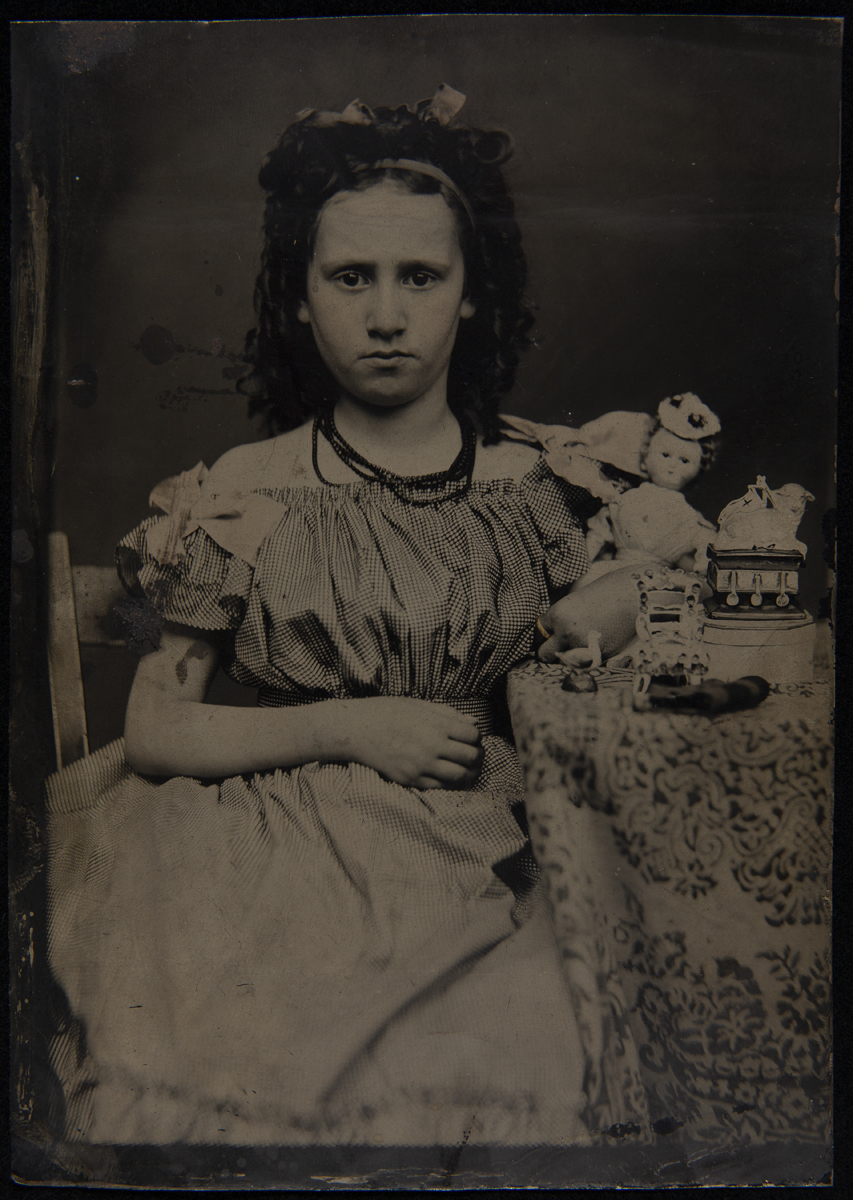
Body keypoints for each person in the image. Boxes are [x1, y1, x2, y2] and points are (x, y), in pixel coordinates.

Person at [46, 88, 637, 1150]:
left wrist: (632, 582)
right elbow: (162, 727)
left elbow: (598, 640)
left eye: (422, 277)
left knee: (525, 1056)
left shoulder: (534, 483)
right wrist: (350, 726)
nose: (385, 314)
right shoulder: (249, 486)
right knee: (240, 1063)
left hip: (484, 837)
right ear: (299, 298)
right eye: (349, 277)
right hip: (270, 845)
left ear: (470, 295)